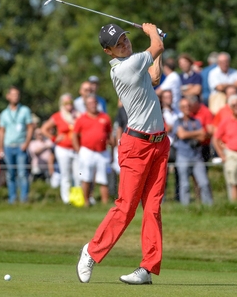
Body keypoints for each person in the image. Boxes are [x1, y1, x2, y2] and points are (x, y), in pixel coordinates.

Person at [76, 22, 167, 285]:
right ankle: (91, 252)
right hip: (137, 147)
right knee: (126, 207)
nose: (125, 43)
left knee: (152, 209)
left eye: (125, 38)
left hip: (159, 144)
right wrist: (153, 32)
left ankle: (147, 269)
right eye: (119, 44)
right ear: (109, 52)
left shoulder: (136, 64)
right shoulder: (125, 67)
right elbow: (157, 47)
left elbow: (155, 78)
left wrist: (157, 44)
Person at [72, 95, 114, 207]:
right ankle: (86, 202)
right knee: (86, 177)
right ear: (86, 105)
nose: (93, 105)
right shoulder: (81, 118)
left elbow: (110, 135)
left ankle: (105, 203)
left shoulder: (105, 117)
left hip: (102, 151)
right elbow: (75, 135)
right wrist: (78, 150)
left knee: (103, 178)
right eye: (90, 103)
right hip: (87, 151)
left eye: (94, 102)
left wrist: (112, 149)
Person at [0, 86, 34, 204]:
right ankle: (12, 199)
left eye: (17, 94)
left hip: (20, 146)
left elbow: (30, 128)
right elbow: (1, 131)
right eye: (13, 94)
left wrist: (27, 143)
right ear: (8, 96)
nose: (15, 97)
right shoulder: (4, 113)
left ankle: (24, 199)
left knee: (23, 173)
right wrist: (0, 148)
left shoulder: (25, 110)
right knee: (10, 174)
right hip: (8, 146)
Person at [173, 98, 213, 206]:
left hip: (196, 156)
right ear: (180, 109)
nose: (187, 108)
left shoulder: (196, 121)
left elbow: (203, 136)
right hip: (183, 155)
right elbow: (182, 135)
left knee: (204, 182)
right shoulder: (178, 121)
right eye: (184, 106)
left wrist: (188, 133)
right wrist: (196, 133)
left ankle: (209, 206)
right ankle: (185, 207)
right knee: (184, 184)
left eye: (188, 106)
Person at [42, 93, 79, 204]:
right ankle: (66, 199)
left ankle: (78, 198)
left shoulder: (78, 115)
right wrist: (54, 138)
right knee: (65, 174)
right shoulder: (58, 116)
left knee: (78, 175)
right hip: (63, 148)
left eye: (70, 102)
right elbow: (44, 129)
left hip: (76, 149)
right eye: (66, 103)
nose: (69, 105)